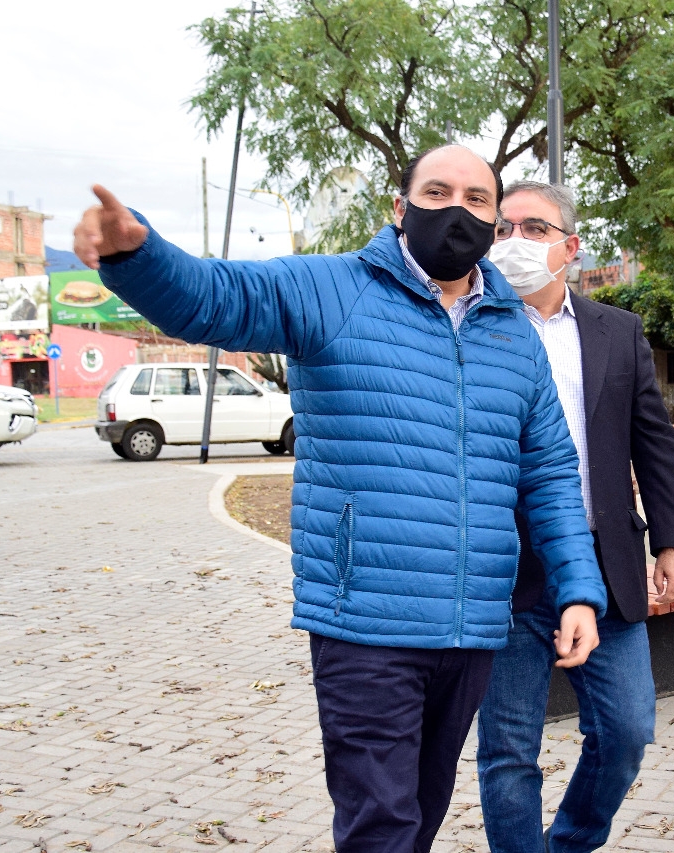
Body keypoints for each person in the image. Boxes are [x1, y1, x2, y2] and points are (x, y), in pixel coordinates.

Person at [71, 145, 608, 853]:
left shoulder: (512, 330)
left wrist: (578, 590)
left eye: (477, 199)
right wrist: (137, 254)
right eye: (438, 192)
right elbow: (213, 296)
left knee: (420, 812)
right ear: (400, 207)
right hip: (365, 624)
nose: (457, 210)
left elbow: (551, 472)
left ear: (493, 219)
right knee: (381, 825)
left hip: (472, 628)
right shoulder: (331, 288)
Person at [476, 181, 674, 853]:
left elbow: (653, 441)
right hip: (503, 569)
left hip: (604, 564)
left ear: (570, 247)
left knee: (626, 730)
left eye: (534, 228)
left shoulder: (617, 331)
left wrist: (673, 540)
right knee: (509, 749)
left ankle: (569, 842)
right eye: (504, 228)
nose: (515, 240)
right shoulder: (471, 325)